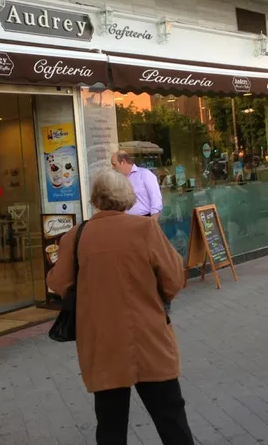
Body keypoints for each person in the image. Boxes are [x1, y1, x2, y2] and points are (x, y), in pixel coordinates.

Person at [47, 171, 194, 445]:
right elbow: (175, 279)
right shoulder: (146, 230)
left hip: (103, 342)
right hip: (149, 337)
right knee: (171, 418)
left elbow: (58, 282)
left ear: (95, 199)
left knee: (111, 425)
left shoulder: (76, 237)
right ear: (127, 198)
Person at [111, 150, 162, 219]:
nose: (113, 168)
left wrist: (153, 221)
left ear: (123, 162)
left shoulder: (145, 174)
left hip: (144, 219)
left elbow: (156, 199)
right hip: (125, 221)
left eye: (114, 164)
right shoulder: (118, 180)